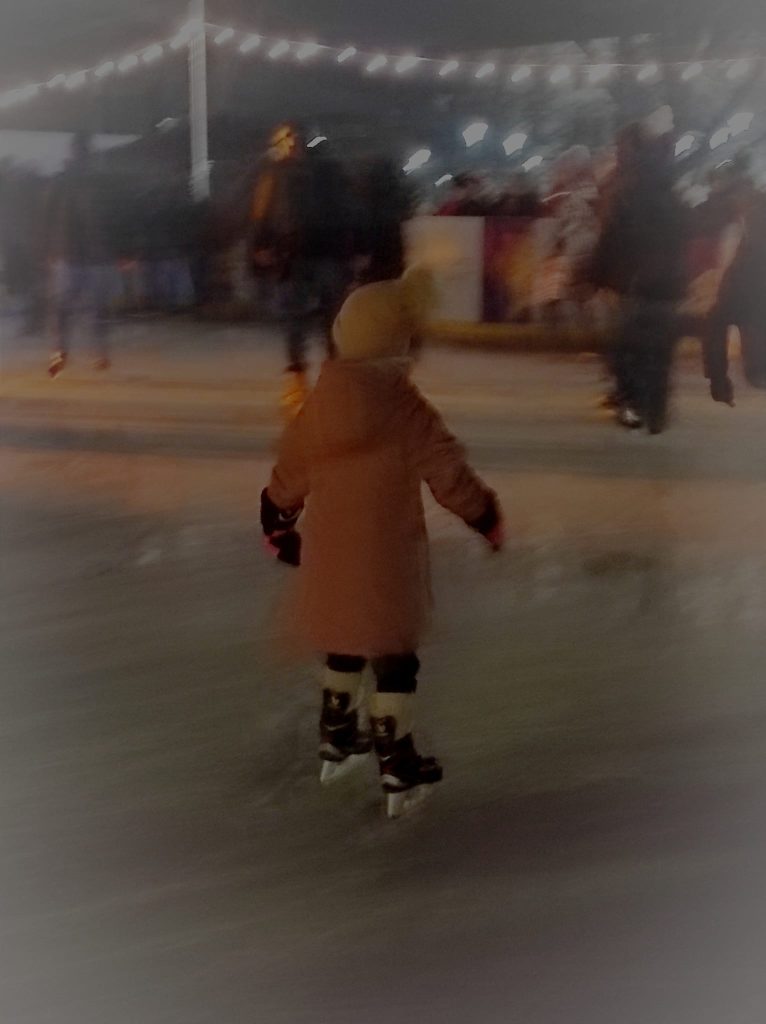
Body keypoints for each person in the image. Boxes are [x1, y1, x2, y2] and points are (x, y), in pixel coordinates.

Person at [259, 269, 503, 817]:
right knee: (394, 659)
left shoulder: (322, 400)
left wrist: (276, 516)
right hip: (388, 555)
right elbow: (448, 473)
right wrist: (484, 515)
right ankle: (396, 761)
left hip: (330, 549)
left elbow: (291, 467)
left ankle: (336, 735)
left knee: (344, 640)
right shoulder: (403, 405)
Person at [249, 123, 353, 415]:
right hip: (291, 256)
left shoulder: (327, 172)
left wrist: (353, 248)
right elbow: (262, 213)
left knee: (331, 321)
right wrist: (260, 245)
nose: (292, 144)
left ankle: (334, 380)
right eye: (286, 140)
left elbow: (346, 210)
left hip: (327, 254)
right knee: (295, 321)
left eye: (295, 139)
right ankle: (297, 380)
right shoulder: (275, 175)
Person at [590, 126, 688, 433]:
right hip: (669, 285)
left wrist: (598, 276)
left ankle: (633, 403)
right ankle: (656, 409)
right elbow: (684, 236)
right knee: (659, 350)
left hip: (636, 284)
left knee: (628, 346)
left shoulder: (628, 194)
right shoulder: (672, 195)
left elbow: (612, 239)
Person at [45, 132, 115, 378]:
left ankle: (69, 352)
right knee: (87, 307)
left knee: (70, 307)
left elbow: (47, 218)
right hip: (79, 253)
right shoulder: (87, 182)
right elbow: (47, 217)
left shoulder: (69, 181)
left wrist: (48, 249)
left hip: (78, 253)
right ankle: (87, 352)